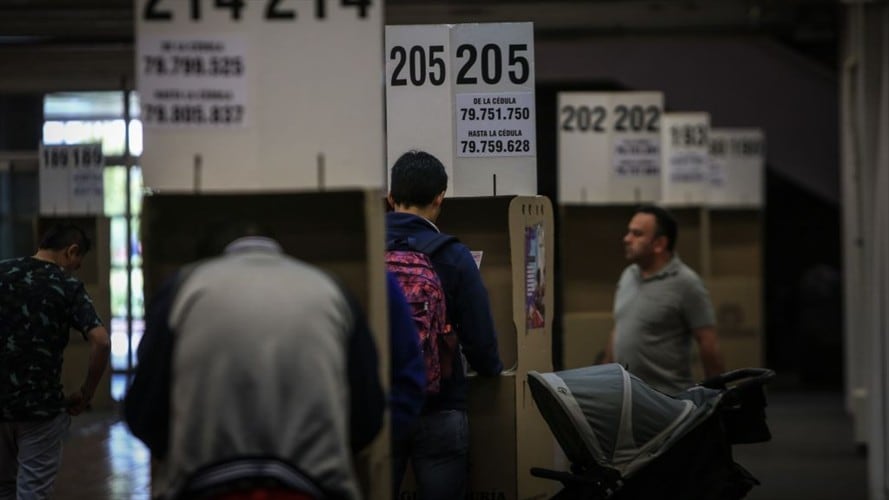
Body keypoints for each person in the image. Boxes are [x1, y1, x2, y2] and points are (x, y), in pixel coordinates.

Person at [123, 222, 385, 500]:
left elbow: (144, 412)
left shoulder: (182, 288)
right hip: (311, 488)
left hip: (205, 486)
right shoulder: (331, 289)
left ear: (213, 256)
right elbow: (367, 417)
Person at [386, 150, 503, 500]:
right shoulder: (454, 255)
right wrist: (490, 370)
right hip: (440, 406)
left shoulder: (364, 249)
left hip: (380, 405)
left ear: (391, 198)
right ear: (440, 198)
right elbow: (481, 340)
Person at [0, 223, 111, 500]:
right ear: (71, 251)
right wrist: (86, 392)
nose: (74, 269)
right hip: (41, 410)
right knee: (32, 493)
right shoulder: (66, 284)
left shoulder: (2, 272)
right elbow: (101, 340)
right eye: (77, 263)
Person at [603, 205, 724, 395]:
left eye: (637, 234)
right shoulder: (628, 275)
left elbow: (707, 342)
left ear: (659, 244)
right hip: (628, 396)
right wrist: (605, 376)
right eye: (629, 232)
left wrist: (716, 396)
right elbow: (618, 329)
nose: (626, 239)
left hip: (667, 399)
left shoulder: (686, 283)